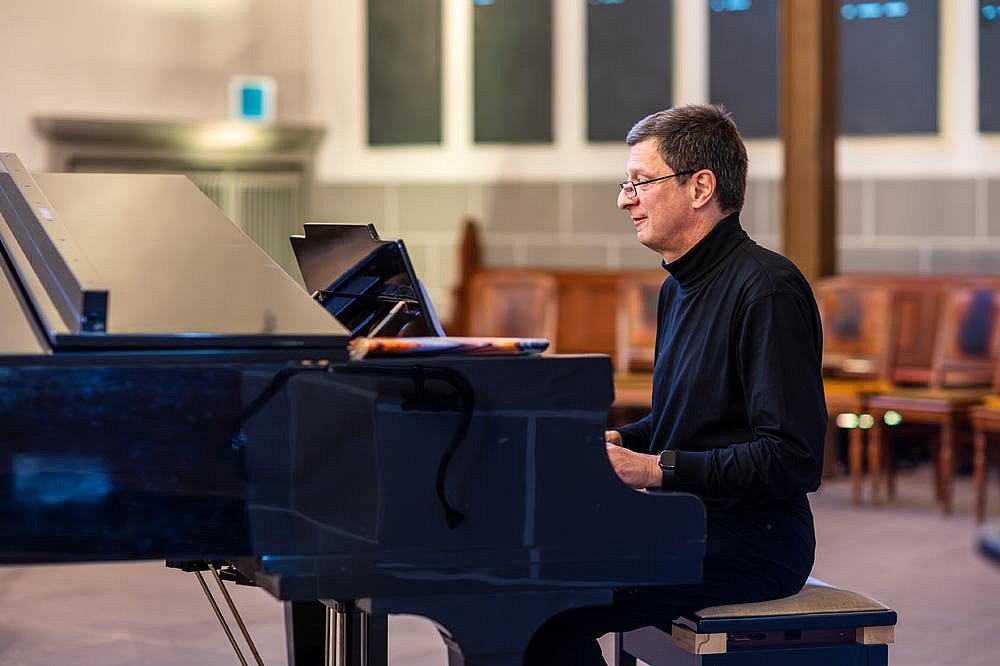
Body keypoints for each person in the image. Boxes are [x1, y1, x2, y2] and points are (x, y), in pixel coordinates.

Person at [524, 104, 827, 664]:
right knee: (524, 581)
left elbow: (792, 459)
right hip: (684, 524)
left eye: (640, 181)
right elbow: (688, 423)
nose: (624, 198)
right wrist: (619, 442)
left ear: (700, 187)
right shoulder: (678, 287)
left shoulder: (767, 289)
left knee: (542, 605)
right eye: (626, 183)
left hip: (751, 542)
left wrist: (653, 468)